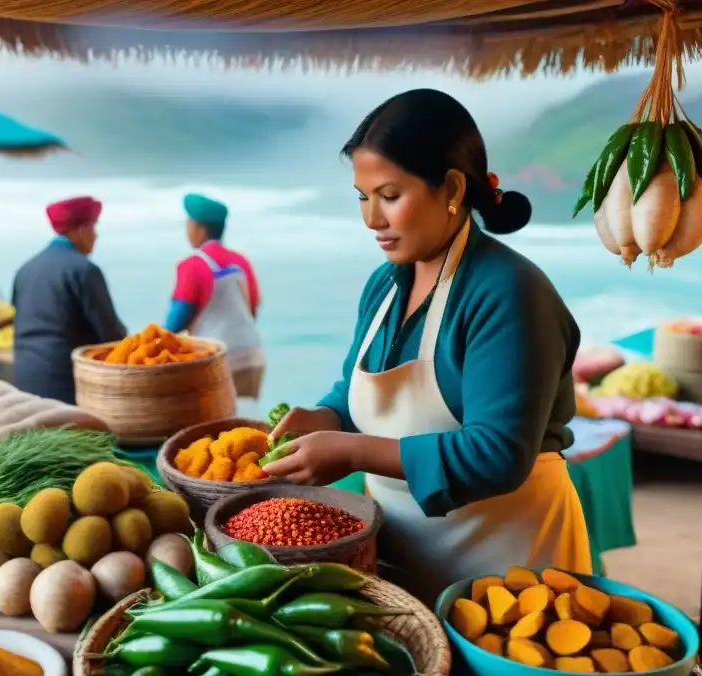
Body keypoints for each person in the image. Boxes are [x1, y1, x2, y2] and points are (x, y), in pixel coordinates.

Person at [265, 89, 592, 605]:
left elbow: (497, 454)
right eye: (362, 196)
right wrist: (327, 417)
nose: (371, 219)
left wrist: (351, 450)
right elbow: (356, 386)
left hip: (513, 563)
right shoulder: (384, 284)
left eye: (389, 195)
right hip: (402, 549)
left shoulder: (509, 292)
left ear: (453, 188)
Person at [13, 196, 126, 403]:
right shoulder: (84, 270)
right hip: (65, 384)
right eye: (93, 228)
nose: (96, 235)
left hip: (24, 379)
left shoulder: (25, 270)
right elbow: (109, 333)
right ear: (81, 230)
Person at [165, 193, 264, 399]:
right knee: (246, 420)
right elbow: (253, 307)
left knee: (211, 426)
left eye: (189, 223)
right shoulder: (240, 261)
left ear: (199, 228)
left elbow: (177, 318)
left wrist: (154, 345)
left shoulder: (192, 265)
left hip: (215, 360)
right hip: (252, 354)